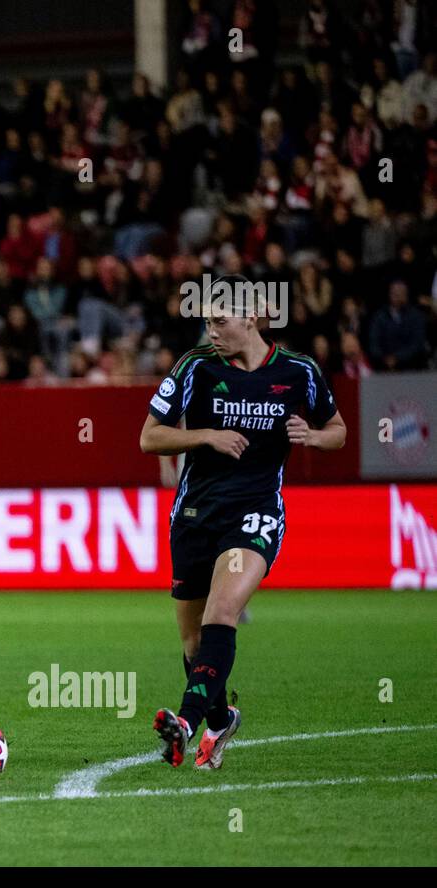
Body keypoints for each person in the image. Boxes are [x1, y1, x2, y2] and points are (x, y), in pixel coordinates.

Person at [140, 289, 346, 769]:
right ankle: (219, 719)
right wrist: (205, 435)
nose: (211, 331)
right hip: (194, 515)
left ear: (251, 316)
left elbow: (337, 429)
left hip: (256, 513)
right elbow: (150, 436)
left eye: (219, 321)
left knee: (224, 610)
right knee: (194, 645)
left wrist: (313, 436)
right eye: (207, 322)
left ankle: (186, 725)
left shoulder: (300, 372)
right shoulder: (196, 366)